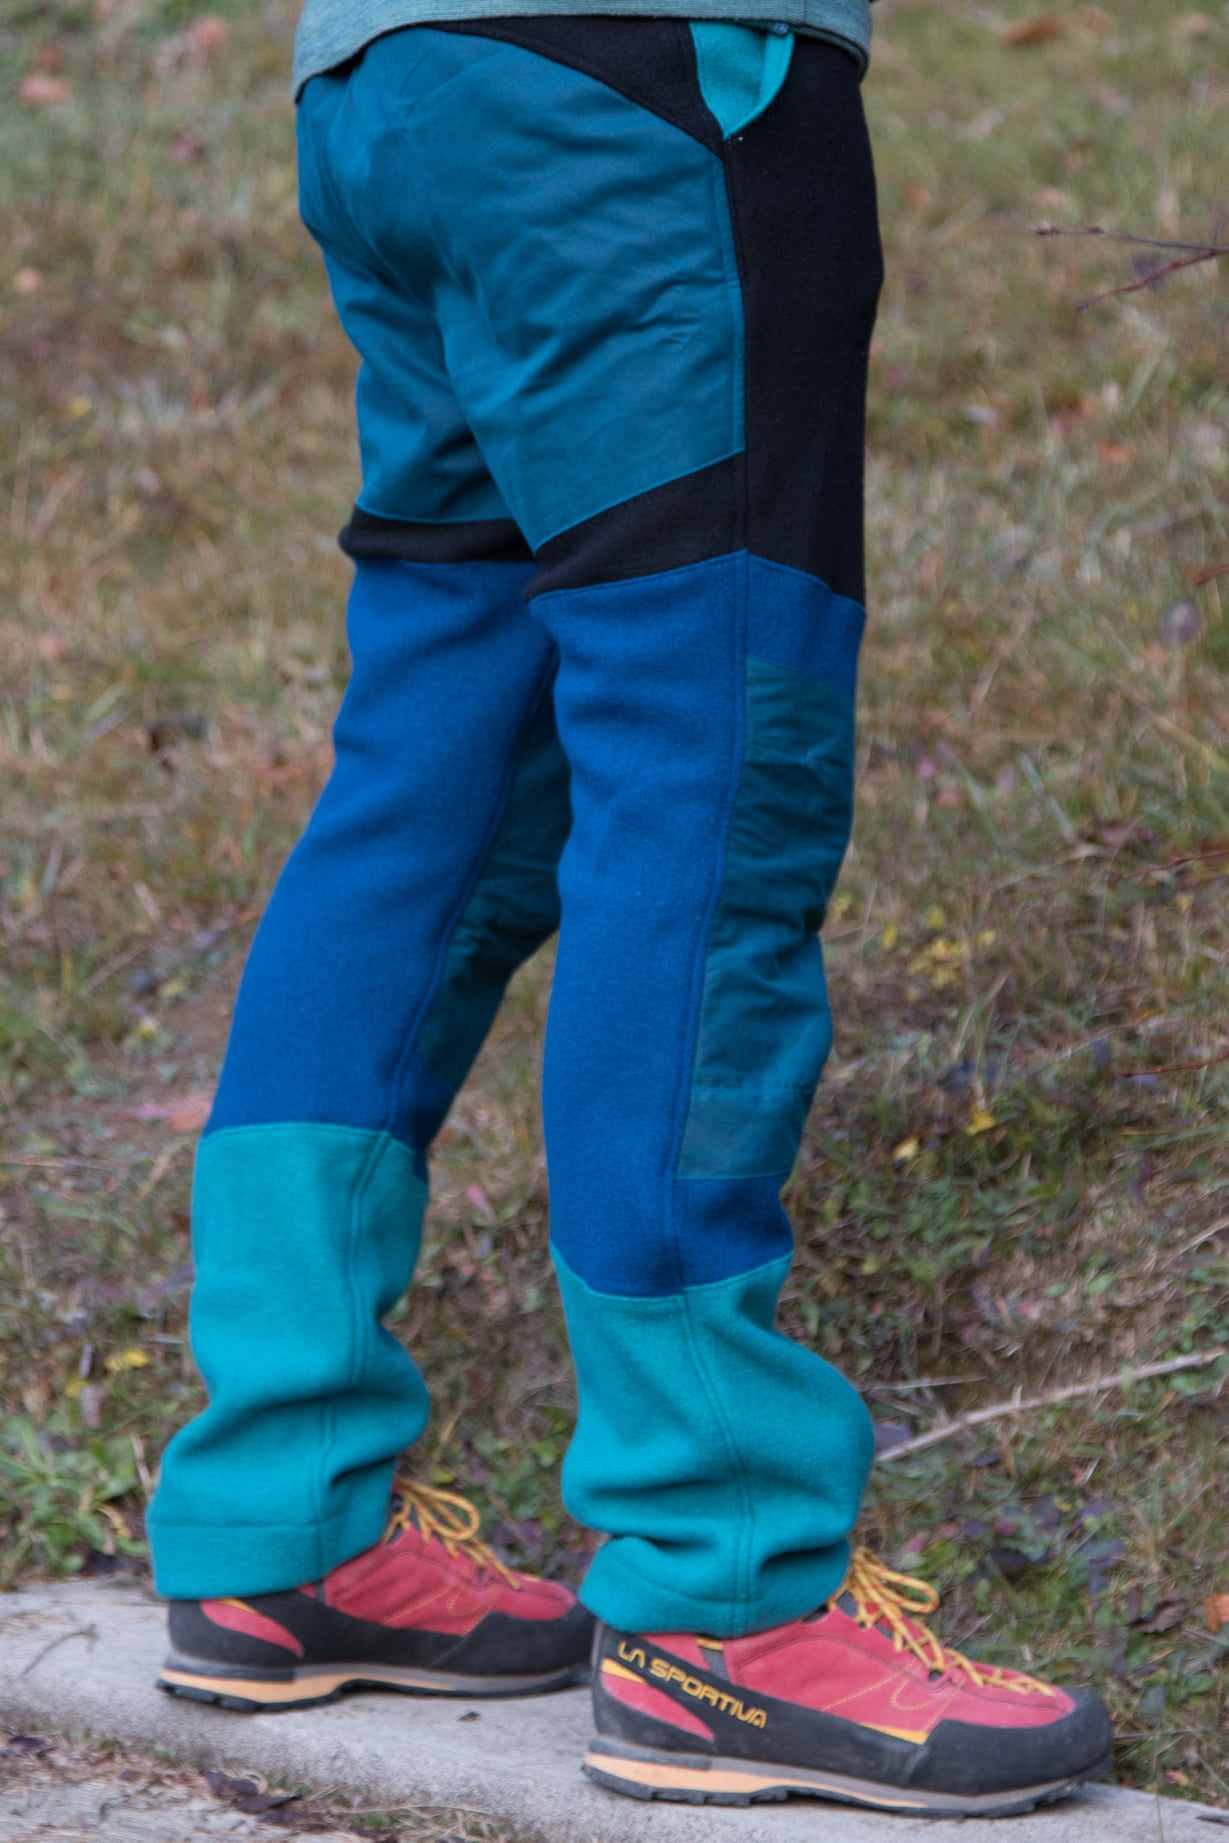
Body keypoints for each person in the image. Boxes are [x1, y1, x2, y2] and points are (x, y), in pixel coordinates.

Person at [147, 0, 1113, 1814]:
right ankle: (719, 1596)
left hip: (387, 81)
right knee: (710, 772)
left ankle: (276, 1522)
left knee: (434, 774)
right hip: (654, 89)